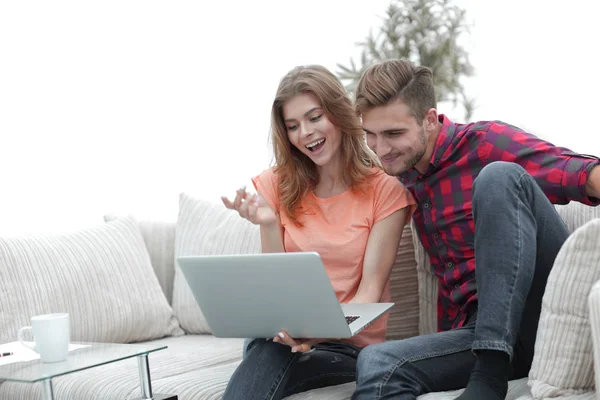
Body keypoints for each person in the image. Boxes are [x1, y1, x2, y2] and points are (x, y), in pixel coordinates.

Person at [351, 58, 600, 400]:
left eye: (393, 134)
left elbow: (581, 174)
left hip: (538, 312)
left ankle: (490, 374)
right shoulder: (398, 177)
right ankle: (489, 360)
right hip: (473, 331)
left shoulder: (485, 143)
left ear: (428, 120)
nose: (381, 149)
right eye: (371, 136)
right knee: (377, 364)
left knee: (499, 177)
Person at [219, 65, 417, 400]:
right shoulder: (277, 184)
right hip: (280, 340)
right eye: (293, 126)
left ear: (338, 114)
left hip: (345, 349)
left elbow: (369, 295)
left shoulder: (385, 191)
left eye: (314, 117)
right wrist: (269, 224)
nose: (305, 133)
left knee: (268, 356)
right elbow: (275, 290)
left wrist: (313, 332)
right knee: (269, 349)